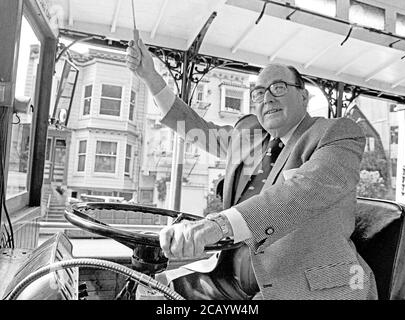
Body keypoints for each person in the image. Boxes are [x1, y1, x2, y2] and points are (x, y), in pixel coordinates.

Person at [126, 38, 378, 300]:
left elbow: (306, 189)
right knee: (150, 291)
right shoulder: (248, 134)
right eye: (258, 92)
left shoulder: (335, 133)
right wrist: (151, 77)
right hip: (229, 275)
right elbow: (194, 128)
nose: (267, 98)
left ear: (304, 96)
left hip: (302, 283)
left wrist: (218, 226)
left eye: (278, 87)